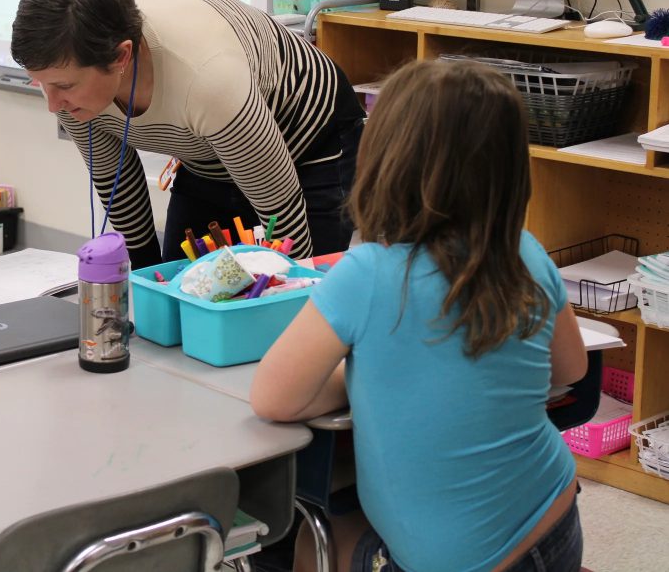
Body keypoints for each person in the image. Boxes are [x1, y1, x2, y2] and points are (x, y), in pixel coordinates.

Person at [250, 59, 588, 572]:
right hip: (556, 521)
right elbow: (571, 373)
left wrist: (360, 374)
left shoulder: (367, 272)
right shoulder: (526, 252)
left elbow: (273, 398)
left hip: (467, 560)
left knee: (308, 540)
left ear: (385, 160)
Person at [11, 0, 365, 269]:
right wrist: (146, 277)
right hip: (210, 150)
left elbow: (282, 214)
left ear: (121, 57)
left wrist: (291, 295)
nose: (52, 105)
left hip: (309, 137)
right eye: (40, 84)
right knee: (182, 287)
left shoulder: (208, 78)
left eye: (63, 87)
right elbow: (116, 182)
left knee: (295, 297)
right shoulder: (69, 80)